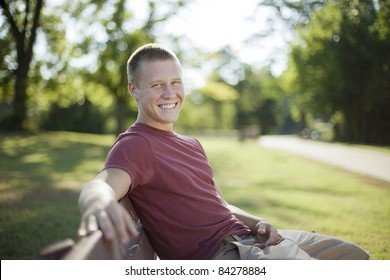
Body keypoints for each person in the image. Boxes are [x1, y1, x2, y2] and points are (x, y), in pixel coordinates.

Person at [77, 43, 369, 260]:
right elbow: (102, 185)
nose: (170, 94)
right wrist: (96, 204)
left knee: (354, 256)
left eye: (175, 82)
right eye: (157, 85)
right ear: (134, 90)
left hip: (249, 238)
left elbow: (219, 204)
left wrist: (257, 222)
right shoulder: (136, 144)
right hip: (224, 256)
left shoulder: (192, 145)